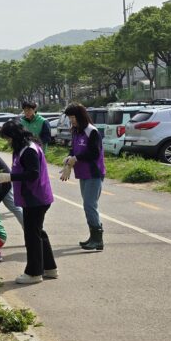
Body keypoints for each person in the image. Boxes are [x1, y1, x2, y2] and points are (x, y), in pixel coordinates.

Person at [0, 121, 57, 284]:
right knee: (38, 233)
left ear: (14, 137)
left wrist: (10, 177)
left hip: (35, 198)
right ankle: (49, 268)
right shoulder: (24, 148)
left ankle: (34, 273)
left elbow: (33, 174)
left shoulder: (29, 150)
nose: (8, 142)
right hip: (33, 197)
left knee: (31, 236)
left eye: (8, 139)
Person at [62, 103, 105, 251]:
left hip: (94, 173)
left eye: (73, 117)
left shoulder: (91, 131)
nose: (71, 120)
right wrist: (68, 159)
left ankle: (98, 240)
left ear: (80, 116)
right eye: (69, 117)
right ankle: (93, 237)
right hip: (83, 174)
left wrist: (77, 158)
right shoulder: (76, 131)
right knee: (88, 206)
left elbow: (94, 153)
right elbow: (73, 149)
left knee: (89, 205)